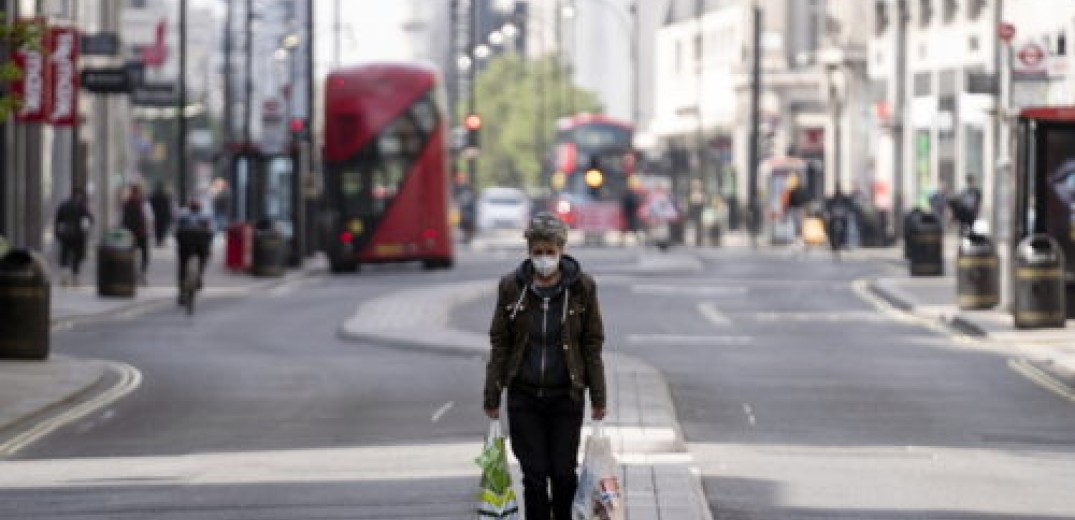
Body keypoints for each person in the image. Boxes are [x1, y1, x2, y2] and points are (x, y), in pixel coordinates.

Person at [483, 212, 607, 520]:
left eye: (550, 252)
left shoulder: (583, 288)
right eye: (538, 252)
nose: (544, 259)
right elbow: (500, 342)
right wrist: (492, 394)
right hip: (524, 397)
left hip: (566, 396)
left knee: (563, 473)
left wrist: (599, 397)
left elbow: (592, 343)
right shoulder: (511, 287)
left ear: (561, 250)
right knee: (534, 475)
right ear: (529, 251)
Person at [174, 199, 214, 304]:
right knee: (203, 258)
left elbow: (177, 231)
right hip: (200, 244)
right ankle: (199, 277)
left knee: (183, 265)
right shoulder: (205, 215)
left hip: (185, 243)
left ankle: (182, 291)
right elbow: (210, 232)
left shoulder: (183, 214)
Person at [53, 189, 94, 286]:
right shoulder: (81, 207)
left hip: (66, 235)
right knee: (77, 257)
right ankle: (75, 278)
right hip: (78, 236)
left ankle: (64, 277)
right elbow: (89, 219)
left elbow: (58, 220)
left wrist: (58, 234)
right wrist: (86, 230)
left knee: (64, 255)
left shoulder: (63, 205)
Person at [121, 183, 153, 284]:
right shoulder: (143, 203)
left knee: (132, 254)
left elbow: (123, 219)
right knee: (144, 255)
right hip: (141, 233)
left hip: (132, 233)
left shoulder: (127, 203)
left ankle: (134, 274)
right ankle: (141, 274)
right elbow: (149, 218)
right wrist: (149, 230)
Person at [824, 184, 855, 260]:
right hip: (836, 217)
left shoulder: (843, 199)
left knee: (845, 228)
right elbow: (828, 207)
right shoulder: (833, 199)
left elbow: (849, 206)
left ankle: (842, 243)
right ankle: (838, 244)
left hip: (841, 216)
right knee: (833, 228)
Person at [149, 182, 174, 248]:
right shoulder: (166, 196)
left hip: (156, 215)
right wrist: (169, 216)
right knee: (163, 229)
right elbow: (168, 207)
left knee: (157, 229)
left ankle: (158, 240)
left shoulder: (153, 196)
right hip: (163, 216)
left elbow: (151, 206)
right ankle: (161, 240)